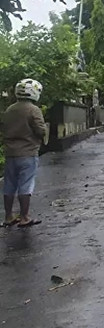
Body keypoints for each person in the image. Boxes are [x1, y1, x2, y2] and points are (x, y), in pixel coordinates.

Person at [2, 79, 47, 228]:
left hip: (10, 153)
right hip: (27, 153)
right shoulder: (33, 110)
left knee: (9, 185)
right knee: (26, 185)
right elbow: (40, 130)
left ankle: (8, 216)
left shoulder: (9, 110)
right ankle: (24, 217)